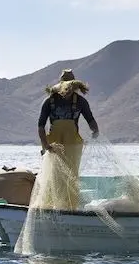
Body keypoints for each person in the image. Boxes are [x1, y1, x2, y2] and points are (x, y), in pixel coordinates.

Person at [37, 69, 99, 209]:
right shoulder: (49, 101)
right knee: (53, 175)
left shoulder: (81, 102)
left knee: (71, 177)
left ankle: (70, 207)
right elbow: (40, 126)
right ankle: (50, 205)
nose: (68, 90)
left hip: (73, 145)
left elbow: (90, 120)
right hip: (53, 145)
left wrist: (95, 130)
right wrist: (45, 145)